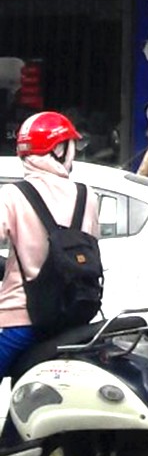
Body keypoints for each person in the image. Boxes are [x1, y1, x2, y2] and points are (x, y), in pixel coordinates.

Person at [0, 111, 98, 375]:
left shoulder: (11, 195)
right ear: (58, 149)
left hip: (21, 320)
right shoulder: (87, 195)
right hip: (74, 318)